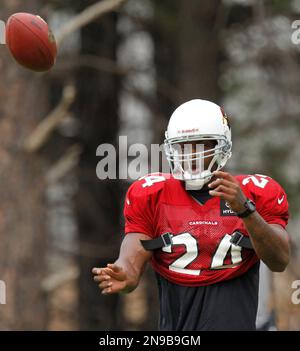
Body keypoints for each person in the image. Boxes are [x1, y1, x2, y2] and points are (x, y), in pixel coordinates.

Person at [92, 99, 290, 331]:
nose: (191, 154)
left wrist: (245, 209)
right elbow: (131, 260)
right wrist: (123, 274)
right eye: (183, 146)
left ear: (221, 145)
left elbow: (279, 259)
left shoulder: (255, 192)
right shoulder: (152, 194)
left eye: (201, 145)